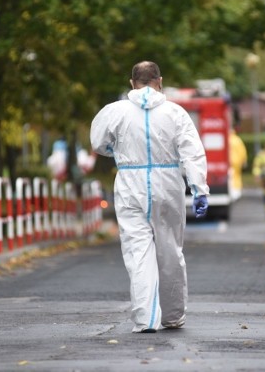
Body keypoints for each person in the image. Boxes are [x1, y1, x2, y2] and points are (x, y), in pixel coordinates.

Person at [90, 61, 209, 333]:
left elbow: (98, 143)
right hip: (168, 183)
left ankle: (146, 318)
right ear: (160, 81)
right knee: (170, 251)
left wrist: (118, 151)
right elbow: (192, 152)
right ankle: (172, 315)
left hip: (131, 181)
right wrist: (199, 188)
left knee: (138, 250)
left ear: (132, 83)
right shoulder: (175, 113)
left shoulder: (114, 112)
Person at [228, 126, 247, 201]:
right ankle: (236, 191)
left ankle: (230, 190)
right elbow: (242, 151)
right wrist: (244, 161)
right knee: (237, 176)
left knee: (230, 177)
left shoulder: (227, 138)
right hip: (237, 162)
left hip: (229, 162)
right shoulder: (237, 140)